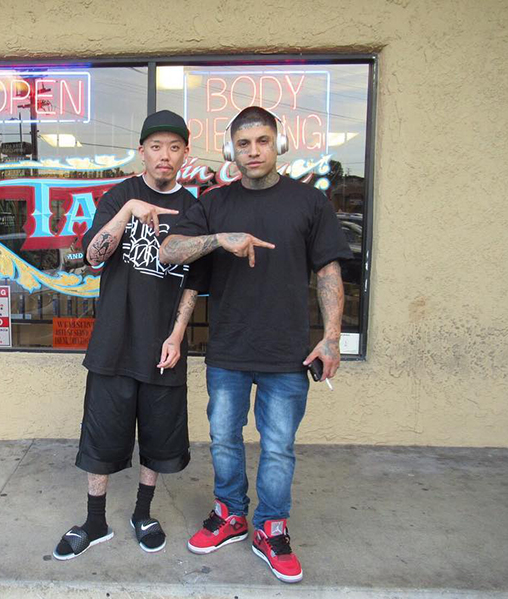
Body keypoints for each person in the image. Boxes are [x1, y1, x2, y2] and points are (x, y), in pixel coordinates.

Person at [159, 106, 352, 583]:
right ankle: (230, 515)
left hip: (287, 353)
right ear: (231, 150)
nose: (253, 151)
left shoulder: (309, 203)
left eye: (262, 141)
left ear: (278, 144)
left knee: (279, 447)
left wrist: (331, 339)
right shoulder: (215, 204)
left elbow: (329, 272)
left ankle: (271, 528)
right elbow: (170, 250)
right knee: (224, 438)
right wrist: (219, 239)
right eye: (243, 144)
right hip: (228, 350)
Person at [53, 110, 201, 560]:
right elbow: (94, 256)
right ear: (142, 152)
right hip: (114, 343)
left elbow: (194, 280)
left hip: (162, 346)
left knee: (156, 440)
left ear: (185, 153)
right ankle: (95, 521)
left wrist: (177, 335)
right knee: (101, 437)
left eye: (173, 147)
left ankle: (142, 513)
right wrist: (128, 211)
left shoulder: (193, 208)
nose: (164, 155)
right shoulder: (120, 195)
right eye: (156, 147)